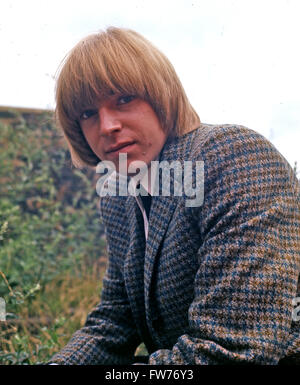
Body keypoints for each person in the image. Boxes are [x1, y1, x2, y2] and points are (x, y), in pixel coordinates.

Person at [49, 27, 300, 365]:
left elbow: (235, 352)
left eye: (123, 99)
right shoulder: (118, 194)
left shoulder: (231, 157)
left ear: (161, 95)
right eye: (87, 113)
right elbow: (115, 318)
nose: (107, 125)